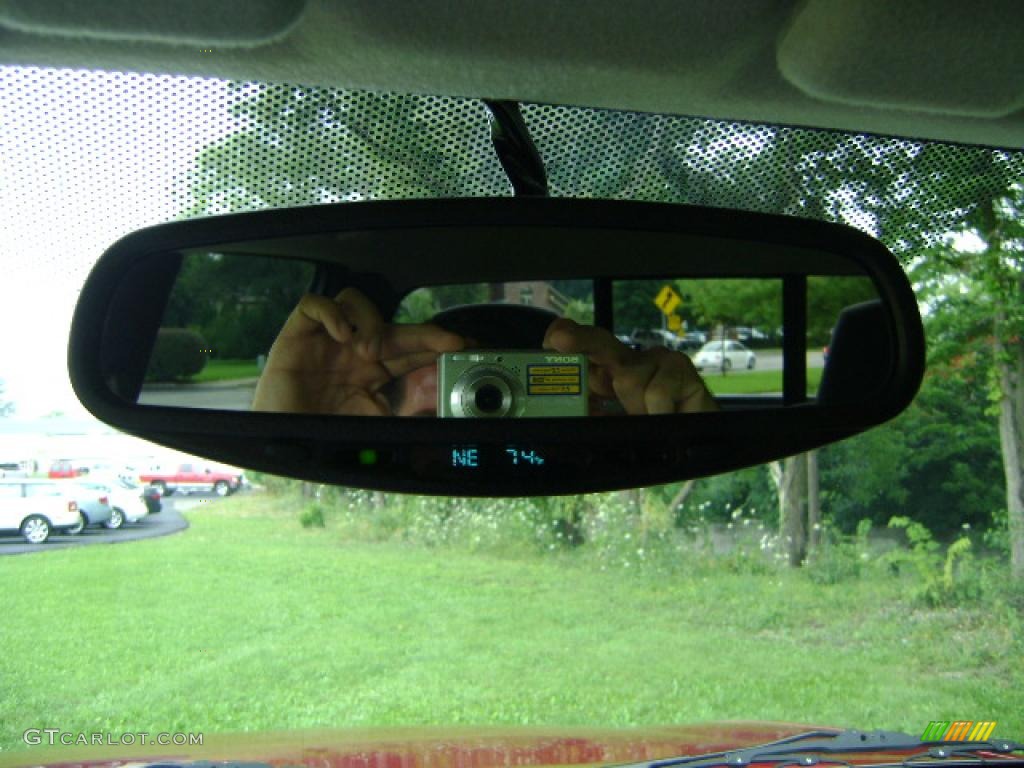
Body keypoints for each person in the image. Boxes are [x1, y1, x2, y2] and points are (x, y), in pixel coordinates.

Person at [252, 287, 717, 417]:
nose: (484, 420)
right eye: (436, 425)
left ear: (593, 401)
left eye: (534, 405)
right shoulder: (353, 416)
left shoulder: (618, 421)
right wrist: (295, 425)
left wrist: (678, 434)